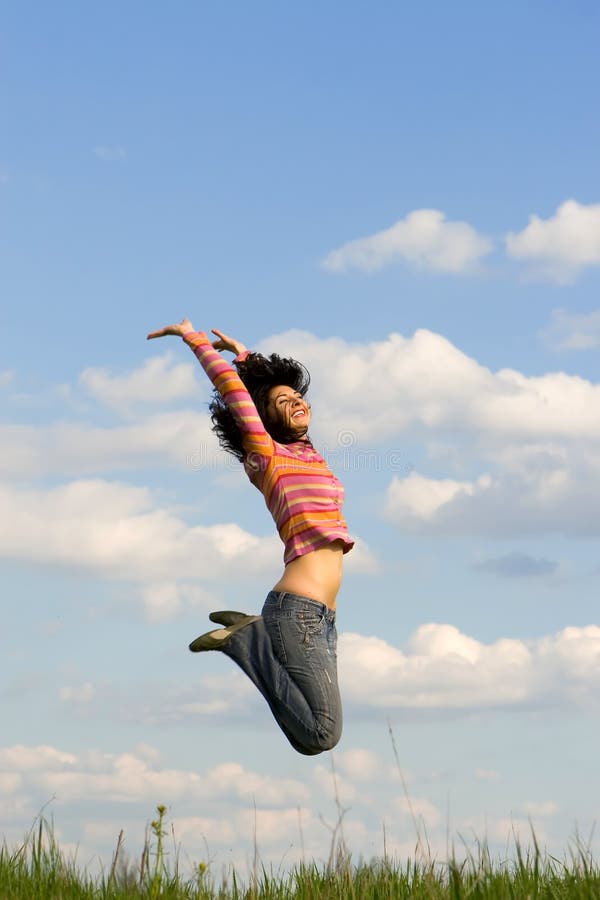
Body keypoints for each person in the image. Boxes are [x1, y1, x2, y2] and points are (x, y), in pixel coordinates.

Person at [147, 319, 354, 755]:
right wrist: (195, 339)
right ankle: (247, 639)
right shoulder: (266, 455)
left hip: (321, 618)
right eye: (283, 401)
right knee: (322, 733)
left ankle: (249, 636)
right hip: (296, 610)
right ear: (263, 418)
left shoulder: (307, 453)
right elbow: (234, 392)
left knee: (311, 741)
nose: (297, 400)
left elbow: (257, 386)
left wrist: (247, 357)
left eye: (297, 395)